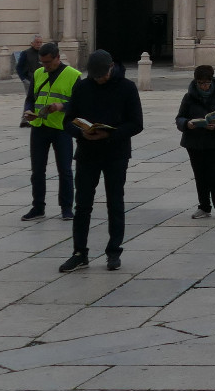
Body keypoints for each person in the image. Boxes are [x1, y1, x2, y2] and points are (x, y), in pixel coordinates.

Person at [60, 50, 144, 273]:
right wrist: (81, 133)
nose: (99, 79)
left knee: (115, 203)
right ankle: (79, 253)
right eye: (95, 76)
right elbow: (67, 121)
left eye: (103, 75)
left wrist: (110, 134)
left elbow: (136, 123)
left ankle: (114, 251)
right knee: (82, 205)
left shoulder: (127, 87)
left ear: (111, 67)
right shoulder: (82, 87)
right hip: (87, 152)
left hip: (116, 153)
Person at [20, 43, 79, 222]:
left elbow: (80, 103)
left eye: (48, 62)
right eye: (42, 62)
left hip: (62, 128)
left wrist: (62, 106)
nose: (45, 66)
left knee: (65, 170)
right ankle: (38, 207)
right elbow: (31, 98)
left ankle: (67, 208)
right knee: (37, 170)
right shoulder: (39, 73)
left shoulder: (73, 75)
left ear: (57, 58)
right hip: (39, 126)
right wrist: (28, 111)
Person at [175, 64, 215, 220]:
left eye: (207, 83)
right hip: (194, 142)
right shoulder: (189, 97)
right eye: (200, 83)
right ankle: (204, 207)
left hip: (214, 140)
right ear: (196, 82)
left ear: (211, 80)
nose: (204, 86)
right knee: (200, 174)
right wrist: (187, 124)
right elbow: (180, 118)